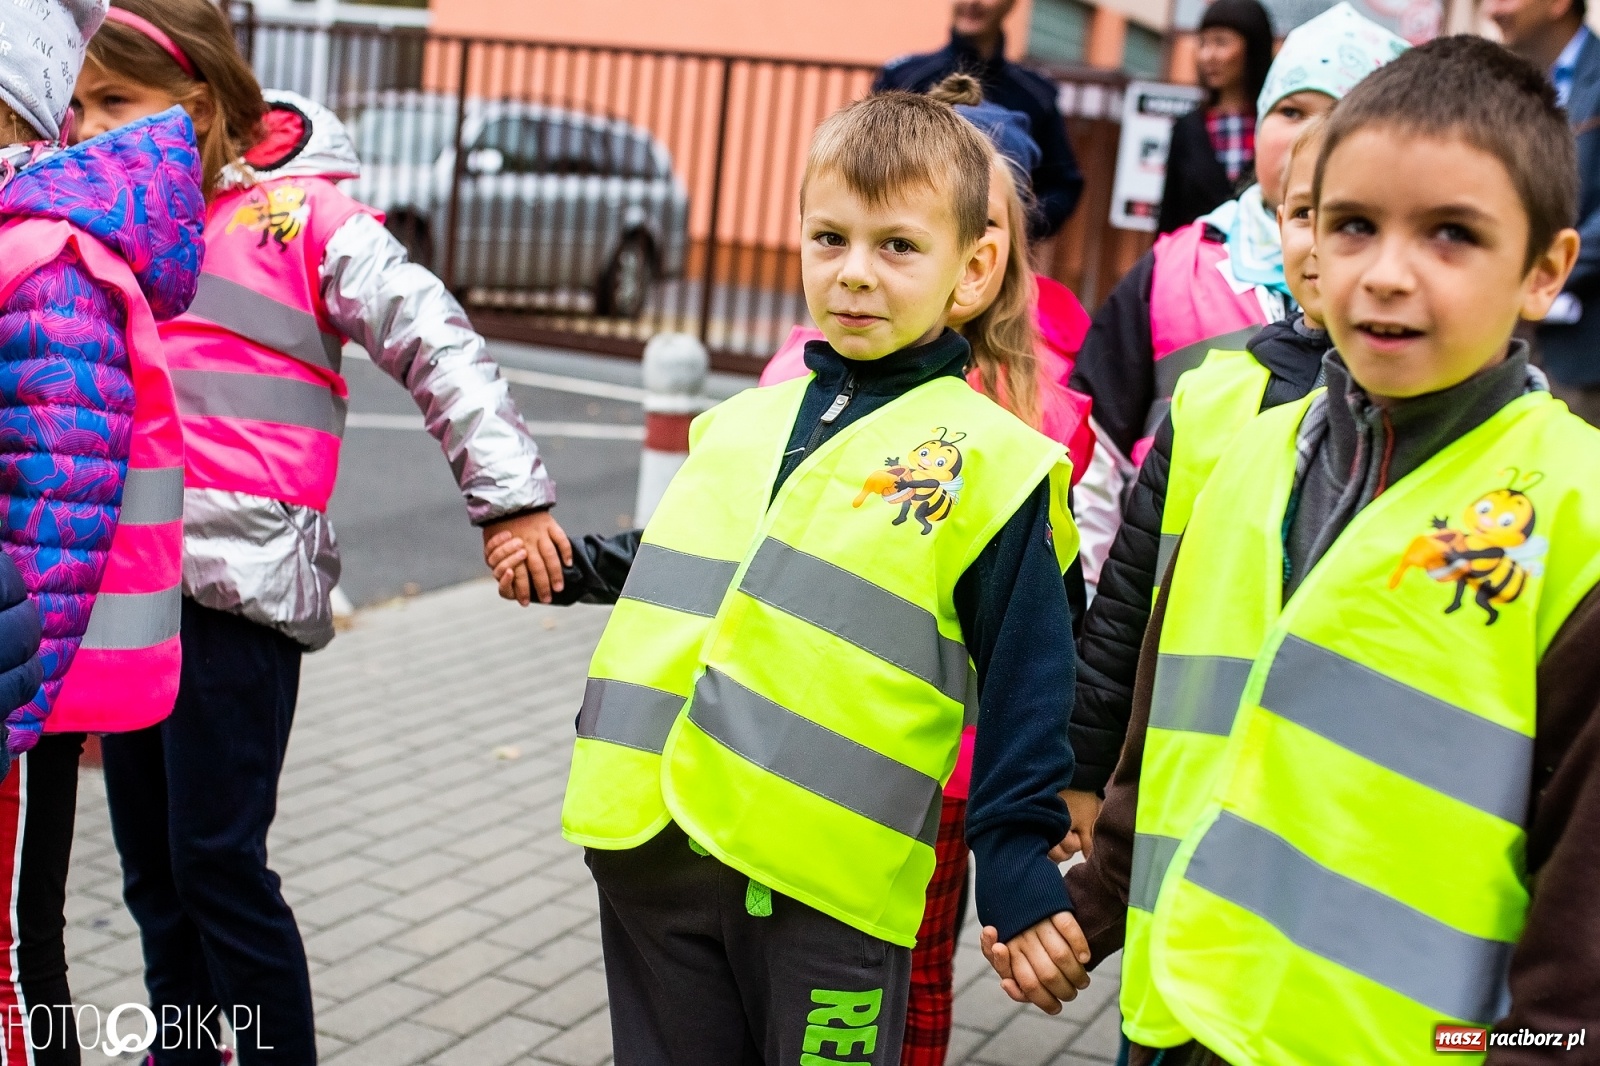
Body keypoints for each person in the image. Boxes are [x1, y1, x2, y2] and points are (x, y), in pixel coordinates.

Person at [996, 36, 1600, 1066]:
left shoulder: (1576, 516)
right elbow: (1170, 737)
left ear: (1543, 269)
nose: (1385, 272)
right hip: (1179, 1015)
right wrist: (1087, 910)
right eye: (1354, 224)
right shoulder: (1244, 459)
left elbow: (1580, 919)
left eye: (1450, 234)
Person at [514, 90, 1088, 1066]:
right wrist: (575, 566)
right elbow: (701, 557)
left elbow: (1037, 676)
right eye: (830, 238)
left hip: (823, 887)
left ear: (973, 269)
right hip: (654, 858)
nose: (854, 273)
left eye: (897, 247)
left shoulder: (993, 465)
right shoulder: (741, 423)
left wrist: (1014, 855)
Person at [70, 0, 569, 1058]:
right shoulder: (101, 222)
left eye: (115, 100)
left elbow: (436, 337)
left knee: (218, 865)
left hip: (237, 598)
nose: (85, 125)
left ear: (196, 103)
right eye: (75, 105)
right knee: (154, 876)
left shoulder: (303, 220)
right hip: (131, 596)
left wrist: (511, 496)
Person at [0, 0, 205, 1059]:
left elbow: (58, 524)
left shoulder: (50, 266)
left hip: (13, 709)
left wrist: (14, 715)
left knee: (16, 952)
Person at [1064, 117, 1344, 841]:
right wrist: (1083, 773)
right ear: (1277, 219)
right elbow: (1126, 601)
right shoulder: (1215, 392)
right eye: (1305, 213)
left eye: (1351, 218)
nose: (1318, 241)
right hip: (1180, 792)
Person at [1068, 3, 1407, 595]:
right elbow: (1098, 456)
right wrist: (1092, 598)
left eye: (1344, 115)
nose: (1310, 136)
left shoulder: (1408, 300)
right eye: (1291, 110)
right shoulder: (1173, 269)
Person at [875, 0, 1084, 238]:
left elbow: (1063, 184)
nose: (972, 2)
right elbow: (868, 161)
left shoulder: (1036, 93)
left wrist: (1013, 226)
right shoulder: (903, 78)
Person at [1487, 0, 1600, 425]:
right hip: (1505, 343)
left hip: (1580, 353)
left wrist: (1525, 269)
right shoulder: (1501, 86)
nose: (1492, 11)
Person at [1156, 0, 1274, 234]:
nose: (1208, 56)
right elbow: (1169, 218)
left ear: (1253, 47)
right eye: (1203, 43)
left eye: (1221, 42)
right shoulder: (1187, 129)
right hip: (1194, 263)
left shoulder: (1274, 124)